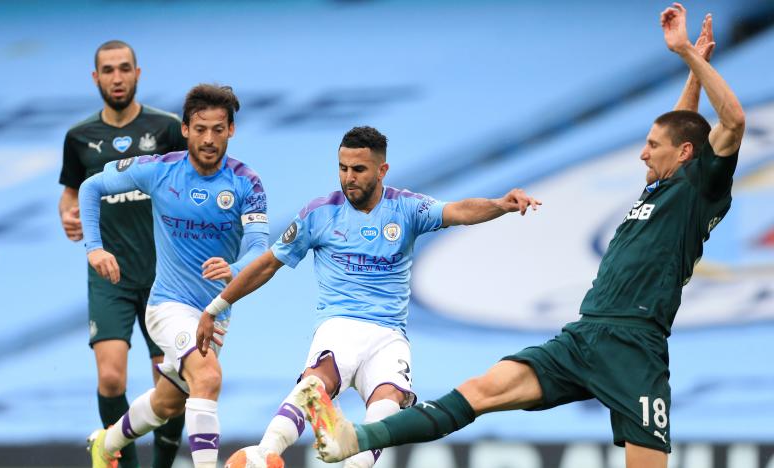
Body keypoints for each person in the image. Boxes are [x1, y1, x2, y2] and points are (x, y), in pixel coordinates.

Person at [296, 5, 744, 468]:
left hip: (636, 347)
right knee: (478, 390)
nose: (642, 154)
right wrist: (693, 71)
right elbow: (681, 127)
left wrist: (689, 54)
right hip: (585, 333)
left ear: (685, 155)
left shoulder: (702, 190)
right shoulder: (666, 183)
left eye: (652, 147)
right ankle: (355, 438)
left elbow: (732, 122)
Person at [196, 126, 541, 467]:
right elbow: (267, 264)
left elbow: (460, 211)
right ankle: (263, 453)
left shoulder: (406, 209)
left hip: (389, 335)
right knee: (320, 378)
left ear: (382, 170)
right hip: (340, 324)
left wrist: (500, 204)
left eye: (358, 169)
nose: (348, 178)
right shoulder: (320, 214)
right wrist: (216, 307)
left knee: (387, 403)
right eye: (343, 168)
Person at [82, 84, 270, 468]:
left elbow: (257, 249)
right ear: (185, 129)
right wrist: (94, 247)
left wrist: (234, 269)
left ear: (231, 130)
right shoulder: (160, 170)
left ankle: (106, 443)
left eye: (218, 129)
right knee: (208, 377)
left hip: (215, 313)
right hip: (168, 305)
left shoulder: (246, 183)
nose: (209, 138)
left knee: (168, 402)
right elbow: (91, 186)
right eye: (200, 128)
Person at [58, 39, 188, 468]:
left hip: (163, 276)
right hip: (108, 273)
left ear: (138, 73)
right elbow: (70, 194)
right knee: (111, 378)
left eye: (124, 68)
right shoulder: (79, 138)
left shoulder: (167, 129)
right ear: (96, 78)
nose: (117, 78)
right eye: (108, 70)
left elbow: (193, 184)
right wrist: (69, 216)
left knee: (170, 383)